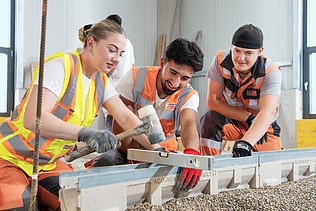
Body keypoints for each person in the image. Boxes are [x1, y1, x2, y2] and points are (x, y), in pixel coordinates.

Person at [0, 19, 158, 210]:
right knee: (19, 205)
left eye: (121, 53)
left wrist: (159, 150)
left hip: (47, 163)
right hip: (10, 158)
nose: (117, 58)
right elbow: (33, 118)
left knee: (79, 203)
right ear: (91, 43)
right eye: (112, 49)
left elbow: (125, 117)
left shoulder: (100, 81)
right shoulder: (60, 67)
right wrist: (85, 133)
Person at [92, 38, 205, 192]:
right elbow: (121, 120)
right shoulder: (136, 76)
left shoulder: (190, 95)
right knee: (104, 163)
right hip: (128, 150)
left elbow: (189, 124)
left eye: (185, 78)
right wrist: (136, 152)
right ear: (162, 62)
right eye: (173, 72)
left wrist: (193, 153)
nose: (176, 82)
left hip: (165, 154)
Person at [200, 24, 282, 158]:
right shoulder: (220, 60)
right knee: (210, 120)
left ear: (260, 51)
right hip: (233, 120)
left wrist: (246, 142)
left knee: (272, 166)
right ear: (231, 46)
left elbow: (268, 112)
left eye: (248, 53)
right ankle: (208, 166)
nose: (240, 58)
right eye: (237, 50)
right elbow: (213, 102)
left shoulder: (271, 71)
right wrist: (247, 117)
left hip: (263, 125)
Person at [104, 14, 135, 130]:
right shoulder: (127, 42)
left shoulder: (115, 41)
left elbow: (113, 65)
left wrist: (103, 78)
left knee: (112, 123)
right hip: (126, 88)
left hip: (115, 87)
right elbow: (133, 65)